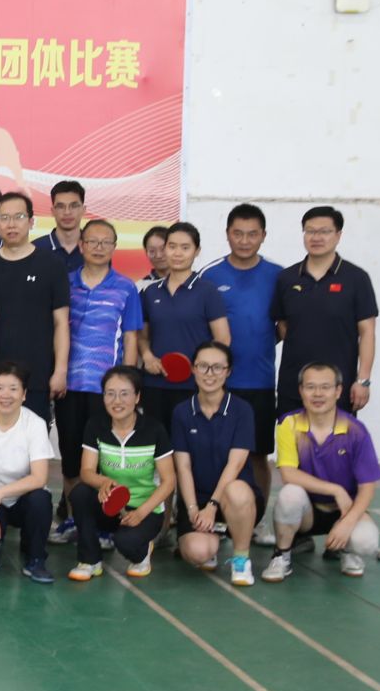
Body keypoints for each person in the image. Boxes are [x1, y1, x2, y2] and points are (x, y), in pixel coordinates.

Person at [199, 203, 283, 543]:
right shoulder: (210, 275)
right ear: (227, 235)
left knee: (258, 454)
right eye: (238, 233)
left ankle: (256, 520)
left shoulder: (278, 276)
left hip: (260, 382)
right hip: (217, 385)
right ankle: (214, 517)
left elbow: (283, 327)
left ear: (263, 236)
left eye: (252, 234)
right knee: (214, 452)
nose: (245, 241)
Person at [56, 219, 140, 540]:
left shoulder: (126, 288)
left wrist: (127, 386)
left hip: (107, 392)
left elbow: (130, 337)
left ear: (114, 247)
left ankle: (104, 525)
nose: (99, 247)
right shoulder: (65, 284)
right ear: (81, 245)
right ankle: (73, 519)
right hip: (68, 386)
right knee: (71, 458)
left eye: (106, 242)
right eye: (93, 241)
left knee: (105, 462)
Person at [268, 362, 380, 581]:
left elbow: (367, 487)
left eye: (325, 387)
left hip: (344, 509)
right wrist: (336, 490)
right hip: (307, 511)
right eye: (310, 387)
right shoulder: (288, 424)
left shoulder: (355, 430)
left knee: (366, 541)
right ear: (301, 390)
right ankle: (282, 555)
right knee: (289, 494)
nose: (318, 394)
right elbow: (288, 474)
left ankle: (346, 550)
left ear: (338, 391)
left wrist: (347, 523)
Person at [65, 365, 174, 581]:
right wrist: (103, 481)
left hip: (145, 509)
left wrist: (141, 512)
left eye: (124, 394)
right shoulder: (96, 425)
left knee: (126, 543)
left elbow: (169, 480)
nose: (117, 401)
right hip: (111, 505)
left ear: (137, 397)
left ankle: (143, 551)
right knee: (80, 494)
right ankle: (90, 560)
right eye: (110, 393)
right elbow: (86, 471)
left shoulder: (154, 430)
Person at [272, 205, 378, 417]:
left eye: (325, 231)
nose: (316, 237)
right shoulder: (287, 278)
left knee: (337, 439)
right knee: (291, 439)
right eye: (310, 231)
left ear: (338, 235)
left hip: (338, 388)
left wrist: (363, 380)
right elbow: (282, 326)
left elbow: (367, 332)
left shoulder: (356, 278)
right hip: (293, 386)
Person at [169, 340, 259, 587]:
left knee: (237, 491)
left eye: (218, 367)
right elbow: (183, 467)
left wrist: (211, 506)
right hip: (197, 499)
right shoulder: (181, 412)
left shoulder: (242, 410)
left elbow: (235, 464)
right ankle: (212, 542)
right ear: (193, 369)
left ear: (228, 371)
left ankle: (241, 558)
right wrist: (192, 509)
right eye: (203, 366)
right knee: (197, 553)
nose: (210, 374)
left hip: (234, 498)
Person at [0, 191, 69, 422]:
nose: (11, 224)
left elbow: (61, 323)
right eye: (4, 218)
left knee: (34, 439)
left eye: (18, 217)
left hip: (37, 375)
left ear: (31, 221)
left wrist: (60, 371)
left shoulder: (52, 264)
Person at [0, 362, 57, 580]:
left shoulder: (35, 424)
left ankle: (35, 557)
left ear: (24, 394)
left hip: (22, 498)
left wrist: (0, 493)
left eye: (13, 389)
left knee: (41, 500)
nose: (6, 395)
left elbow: (39, 477)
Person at [138, 221, 230, 428]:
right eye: (172, 246)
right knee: (158, 443)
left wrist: (205, 370)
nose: (177, 253)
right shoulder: (150, 292)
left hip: (195, 386)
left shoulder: (208, 292)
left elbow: (223, 338)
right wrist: (148, 356)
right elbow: (142, 336)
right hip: (155, 384)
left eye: (185, 247)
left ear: (197, 251)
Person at [40, 180, 87, 270]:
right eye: (60, 206)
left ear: (83, 210)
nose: (67, 212)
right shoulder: (35, 250)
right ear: (53, 211)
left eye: (74, 206)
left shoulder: (96, 249)